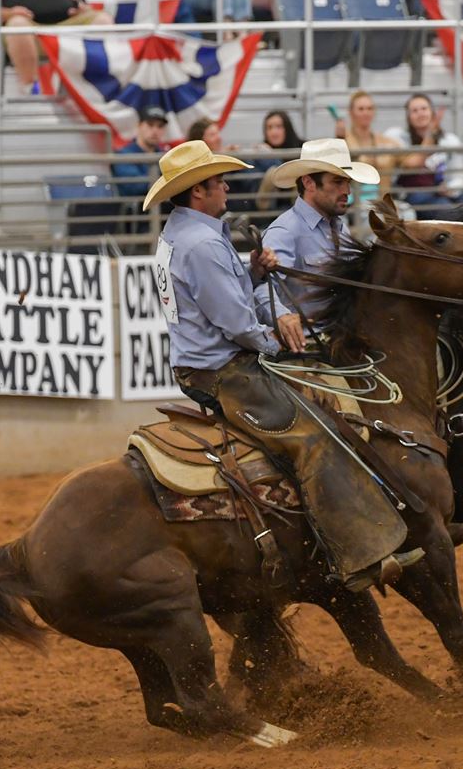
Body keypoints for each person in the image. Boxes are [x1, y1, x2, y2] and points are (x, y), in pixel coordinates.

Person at [149, 138, 410, 589]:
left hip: (207, 362)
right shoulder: (203, 244)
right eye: (220, 183)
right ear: (198, 191)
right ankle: (356, 553)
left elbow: (218, 299)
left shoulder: (182, 235)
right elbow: (233, 319)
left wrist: (252, 274)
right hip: (225, 369)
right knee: (317, 437)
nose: (227, 189)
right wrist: (272, 346)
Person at [258, 137, 381, 348]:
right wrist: (282, 318)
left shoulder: (338, 226)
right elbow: (261, 286)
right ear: (308, 183)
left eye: (347, 183)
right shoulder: (285, 231)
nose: (347, 192)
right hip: (309, 346)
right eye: (337, 182)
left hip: (340, 342)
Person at [385, 92, 463, 209]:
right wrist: (431, 134)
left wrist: (450, 189)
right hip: (414, 194)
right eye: (415, 111)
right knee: (444, 207)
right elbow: (411, 163)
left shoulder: (450, 140)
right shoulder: (398, 138)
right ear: (408, 117)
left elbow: (459, 178)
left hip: (445, 192)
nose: (420, 113)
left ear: (432, 112)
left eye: (424, 108)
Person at [112, 106, 169, 210]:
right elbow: (133, 187)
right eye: (150, 125)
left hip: (163, 213)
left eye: (160, 126)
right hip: (137, 215)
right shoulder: (123, 154)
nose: (155, 131)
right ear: (139, 126)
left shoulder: (166, 156)